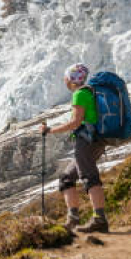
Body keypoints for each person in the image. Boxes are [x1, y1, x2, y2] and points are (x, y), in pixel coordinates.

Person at [39, 63, 110, 233]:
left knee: (89, 176)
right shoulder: (89, 92)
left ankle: (100, 219)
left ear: (71, 79)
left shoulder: (80, 94)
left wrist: (51, 131)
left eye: (66, 77)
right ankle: (73, 219)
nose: (64, 80)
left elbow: (75, 122)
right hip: (95, 141)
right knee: (66, 177)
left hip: (86, 141)